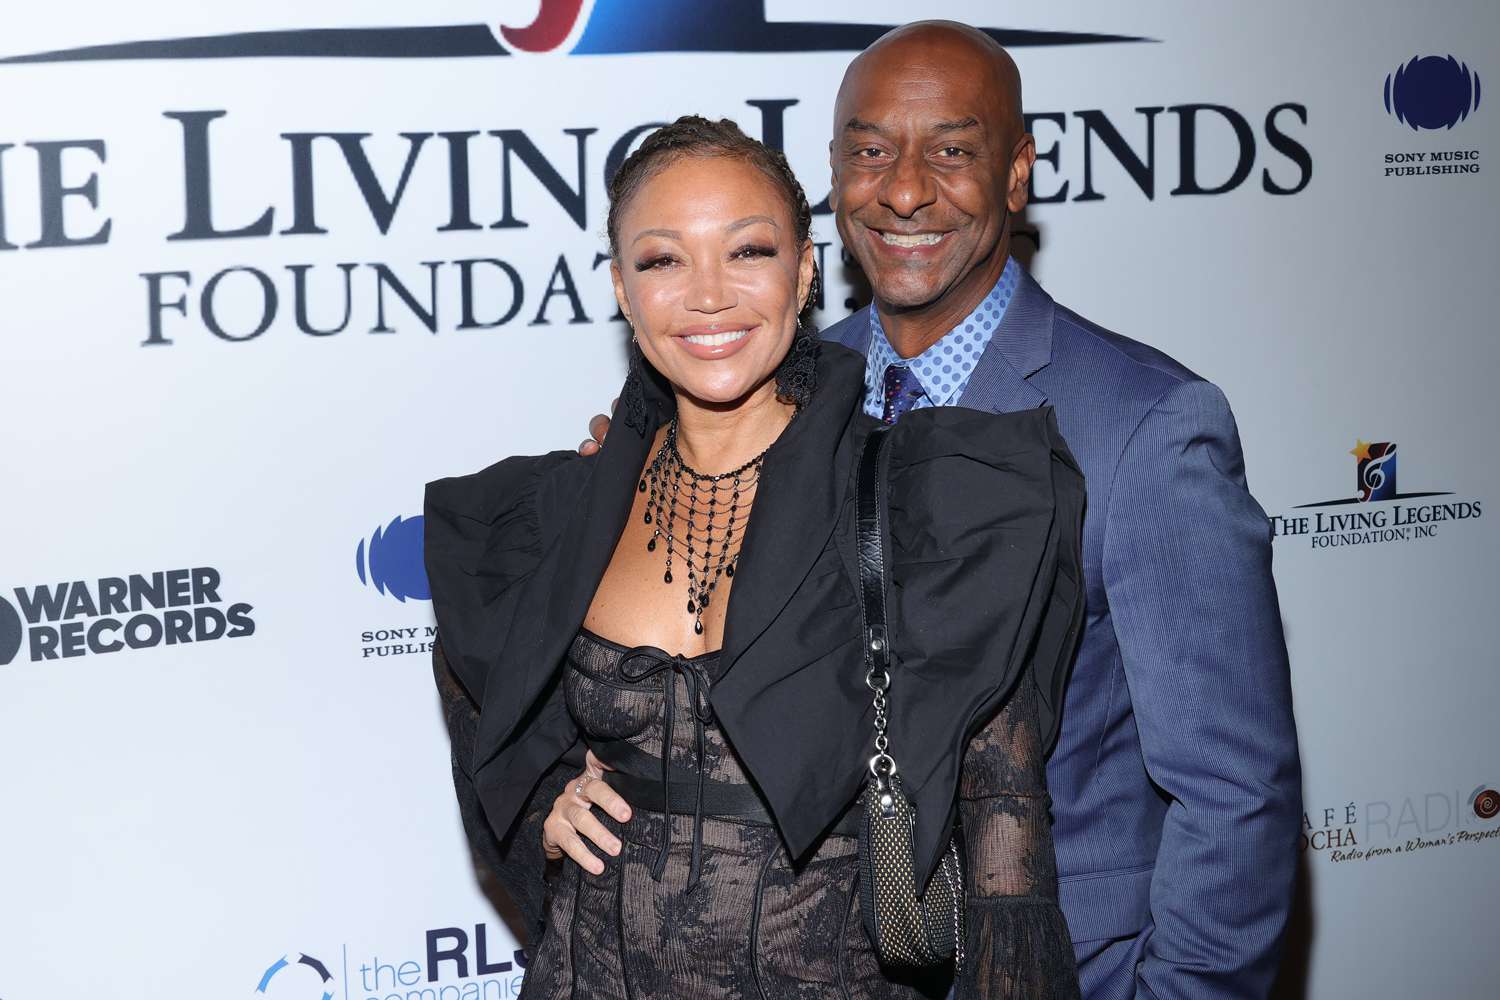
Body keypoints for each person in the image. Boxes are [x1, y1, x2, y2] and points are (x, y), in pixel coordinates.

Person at [571, 22, 1302, 1000]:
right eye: (870, 151)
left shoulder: (1141, 429)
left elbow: (1234, 796)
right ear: (834, 174)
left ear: (1017, 174)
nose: (905, 190)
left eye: (951, 151)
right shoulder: (763, 396)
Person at [427, 115, 1086, 998]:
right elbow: (479, 685)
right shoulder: (562, 509)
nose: (708, 296)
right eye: (663, 260)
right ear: (623, 288)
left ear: (806, 271)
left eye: (748, 252)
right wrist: (542, 797)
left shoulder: (925, 501)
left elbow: (1008, 852)